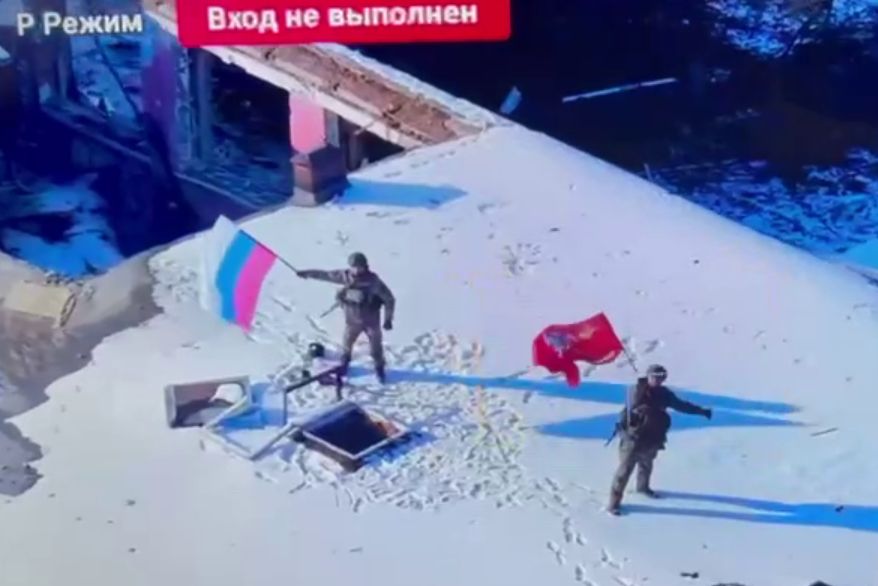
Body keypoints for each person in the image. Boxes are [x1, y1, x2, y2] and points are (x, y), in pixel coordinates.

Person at [607, 364, 712, 515]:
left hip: (653, 436)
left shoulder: (665, 394)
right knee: (624, 470)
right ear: (648, 376)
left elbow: (681, 405)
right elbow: (629, 407)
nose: (657, 379)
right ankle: (613, 503)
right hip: (633, 437)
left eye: (661, 377)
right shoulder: (636, 389)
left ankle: (643, 488)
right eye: (654, 376)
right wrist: (641, 391)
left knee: (646, 464)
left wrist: (701, 411)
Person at [296, 253, 395, 383]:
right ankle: (344, 364)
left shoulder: (373, 281)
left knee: (376, 347)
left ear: (365, 266)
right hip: (352, 321)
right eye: (354, 267)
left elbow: (389, 299)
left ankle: (379, 368)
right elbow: (325, 275)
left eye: (360, 267)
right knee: (347, 345)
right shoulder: (345, 276)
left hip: (371, 321)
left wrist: (388, 319)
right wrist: (307, 274)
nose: (357, 270)